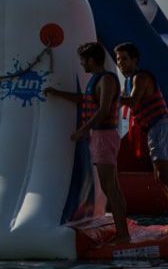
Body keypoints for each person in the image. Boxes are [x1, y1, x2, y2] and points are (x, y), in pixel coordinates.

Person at [44, 42, 130, 244]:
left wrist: (82, 131)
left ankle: (123, 235)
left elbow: (103, 109)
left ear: (92, 60)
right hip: (100, 136)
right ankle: (122, 232)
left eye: (83, 60)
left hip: (105, 136)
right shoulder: (95, 80)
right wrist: (57, 94)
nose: (82, 64)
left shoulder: (107, 79)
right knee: (111, 187)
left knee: (110, 188)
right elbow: (84, 99)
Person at [116, 41, 168, 227]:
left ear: (135, 60)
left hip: (160, 126)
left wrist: (106, 96)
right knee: (160, 177)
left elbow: (133, 102)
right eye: (118, 59)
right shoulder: (129, 80)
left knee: (165, 176)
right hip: (153, 129)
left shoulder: (139, 77)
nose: (120, 63)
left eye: (125, 59)